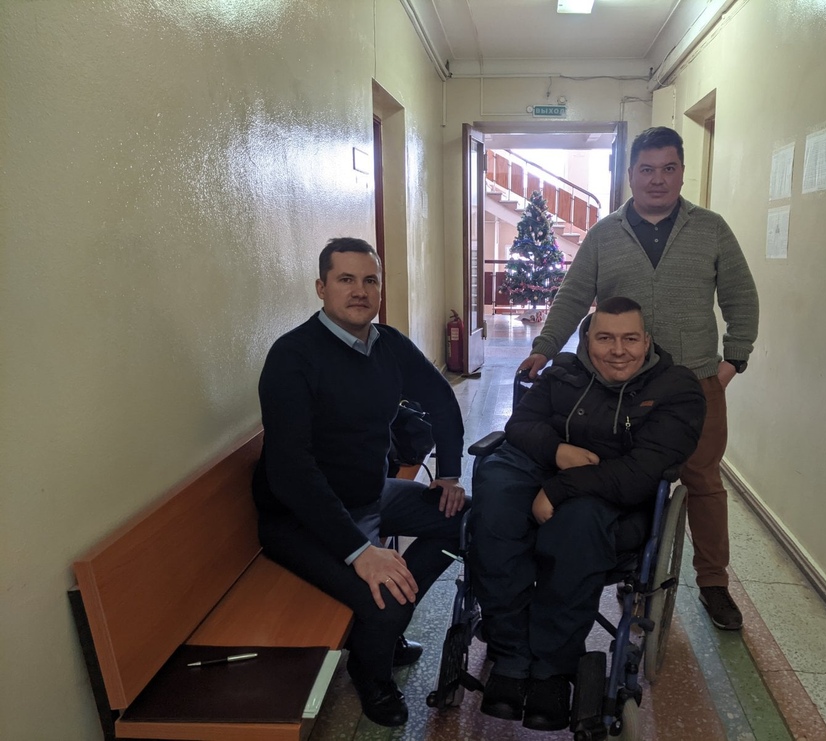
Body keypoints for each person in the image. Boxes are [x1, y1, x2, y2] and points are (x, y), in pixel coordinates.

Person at [519, 126, 759, 632]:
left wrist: (733, 361)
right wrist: (544, 348)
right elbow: (573, 294)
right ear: (630, 175)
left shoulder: (710, 229)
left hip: (693, 384)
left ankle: (714, 583)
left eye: (668, 168)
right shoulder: (604, 233)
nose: (657, 180)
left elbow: (741, 297)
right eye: (647, 169)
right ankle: (626, 561)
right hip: (619, 390)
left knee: (703, 481)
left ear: (682, 172)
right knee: (626, 475)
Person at [252, 237, 468, 728]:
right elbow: (291, 472)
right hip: (300, 517)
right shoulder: (292, 357)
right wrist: (359, 551)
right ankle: (373, 672)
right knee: (383, 599)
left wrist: (449, 474)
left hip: (370, 495)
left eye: (370, 280)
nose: (359, 291)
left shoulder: (388, 344)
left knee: (463, 522)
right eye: (345, 279)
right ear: (321, 288)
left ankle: (386, 622)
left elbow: (440, 399)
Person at [471, 297, 706, 731]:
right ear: (586, 341)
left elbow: (641, 473)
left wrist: (558, 490)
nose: (618, 350)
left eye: (629, 339)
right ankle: (510, 655)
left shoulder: (676, 389)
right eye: (605, 338)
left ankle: (552, 668)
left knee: (574, 526)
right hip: (543, 466)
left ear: (646, 341)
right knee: (496, 497)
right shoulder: (564, 370)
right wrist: (556, 451)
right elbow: (520, 425)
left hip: (612, 496)